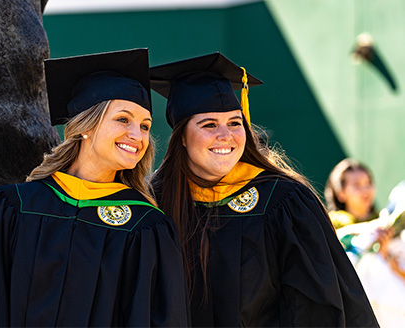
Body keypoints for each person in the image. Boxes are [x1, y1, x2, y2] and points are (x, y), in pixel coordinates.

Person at [0, 49, 189, 327]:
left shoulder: (145, 227)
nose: (137, 135)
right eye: (123, 119)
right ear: (85, 126)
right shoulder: (13, 208)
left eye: (145, 126)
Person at [149, 52, 379, 327]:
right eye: (209, 125)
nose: (226, 135)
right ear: (182, 137)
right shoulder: (154, 203)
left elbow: (319, 308)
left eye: (235, 123)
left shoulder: (284, 201)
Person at [325, 158, 378, 229]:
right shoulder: (331, 223)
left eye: (368, 182)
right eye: (357, 185)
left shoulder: (382, 217)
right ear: (340, 193)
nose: (365, 190)